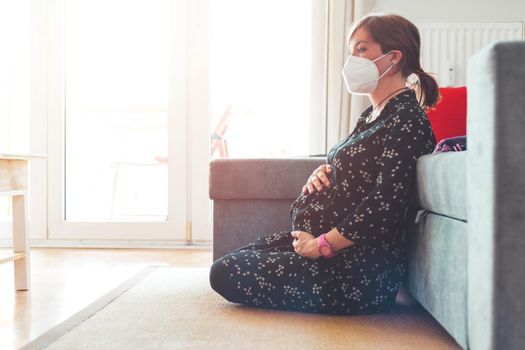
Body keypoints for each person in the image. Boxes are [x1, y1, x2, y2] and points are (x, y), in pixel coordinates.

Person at [209, 12, 439, 315]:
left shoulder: (406, 118)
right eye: (351, 50)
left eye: (361, 49)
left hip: (357, 270)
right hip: (330, 253)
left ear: (393, 58)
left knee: (224, 273)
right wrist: (325, 170)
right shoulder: (371, 115)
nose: (352, 59)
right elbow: (357, 169)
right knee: (237, 257)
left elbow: (386, 204)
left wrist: (321, 246)